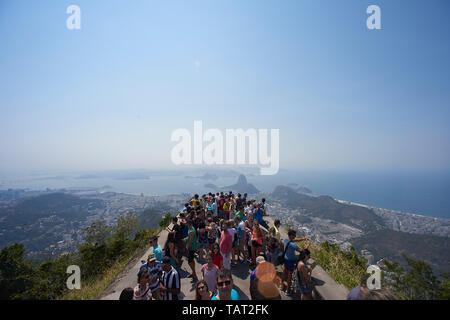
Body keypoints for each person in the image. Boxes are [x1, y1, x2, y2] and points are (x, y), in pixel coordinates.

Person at [280, 229, 308, 294]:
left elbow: (294, 240)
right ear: (291, 235)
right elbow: (302, 251)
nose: (295, 237)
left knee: (284, 272)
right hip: (291, 261)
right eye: (294, 236)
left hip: (286, 259)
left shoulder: (286, 240)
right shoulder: (293, 245)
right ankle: (288, 290)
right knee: (290, 275)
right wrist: (307, 246)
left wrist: (303, 239)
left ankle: (281, 285)